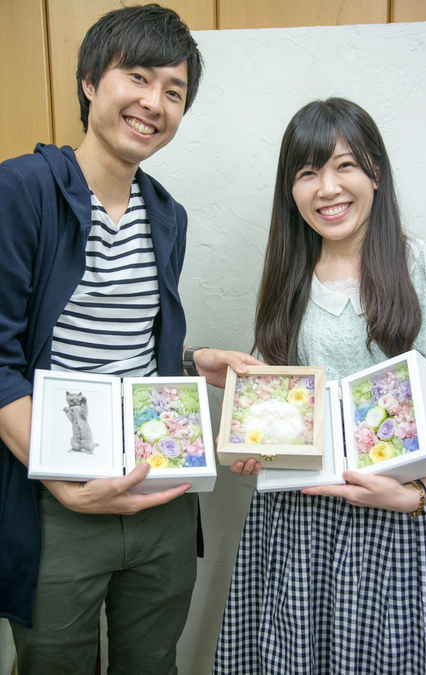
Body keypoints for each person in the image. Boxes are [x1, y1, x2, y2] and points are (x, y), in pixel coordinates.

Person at [0, 5, 260, 674]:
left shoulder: (167, 214)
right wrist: (66, 484)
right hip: (57, 498)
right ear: (90, 81)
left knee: (153, 662)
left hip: (162, 488)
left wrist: (192, 360)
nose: (154, 103)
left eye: (174, 91)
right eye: (138, 77)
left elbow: (127, 348)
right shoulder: (21, 190)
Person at [214, 98, 426, 675]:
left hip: (401, 519)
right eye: (307, 172)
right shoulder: (287, 281)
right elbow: (282, 410)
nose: (327, 188)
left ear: (376, 172)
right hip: (300, 525)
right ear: (290, 190)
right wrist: (258, 447)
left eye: (345, 165)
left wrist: (425, 491)